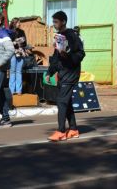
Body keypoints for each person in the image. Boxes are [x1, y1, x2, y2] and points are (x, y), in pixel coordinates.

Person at [46, 11, 85, 142]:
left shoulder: (72, 35)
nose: (54, 24)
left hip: (71, 73)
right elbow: (56, 57)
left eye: (56, 21)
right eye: (53, 21)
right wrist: (49, 72)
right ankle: (73, 129)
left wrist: (67, 55)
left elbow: (80, 54)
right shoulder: (59, 36)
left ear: (63, 21)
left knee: (61, 101)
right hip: (63, 73)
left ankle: (61, 131)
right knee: (66, 102)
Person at [8, 18, 27, 95]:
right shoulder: (9, 32)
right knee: (12, 71)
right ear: (14, 23)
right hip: (12, 53)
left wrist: (21, 43)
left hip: (20, 53)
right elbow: (8, 43)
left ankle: (19, 90)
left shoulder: (22, 32)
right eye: (18, 22)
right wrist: (15, 42)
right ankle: (11, 90)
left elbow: (25, 43)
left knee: (19, 72)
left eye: (20, 22)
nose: (20, 24)